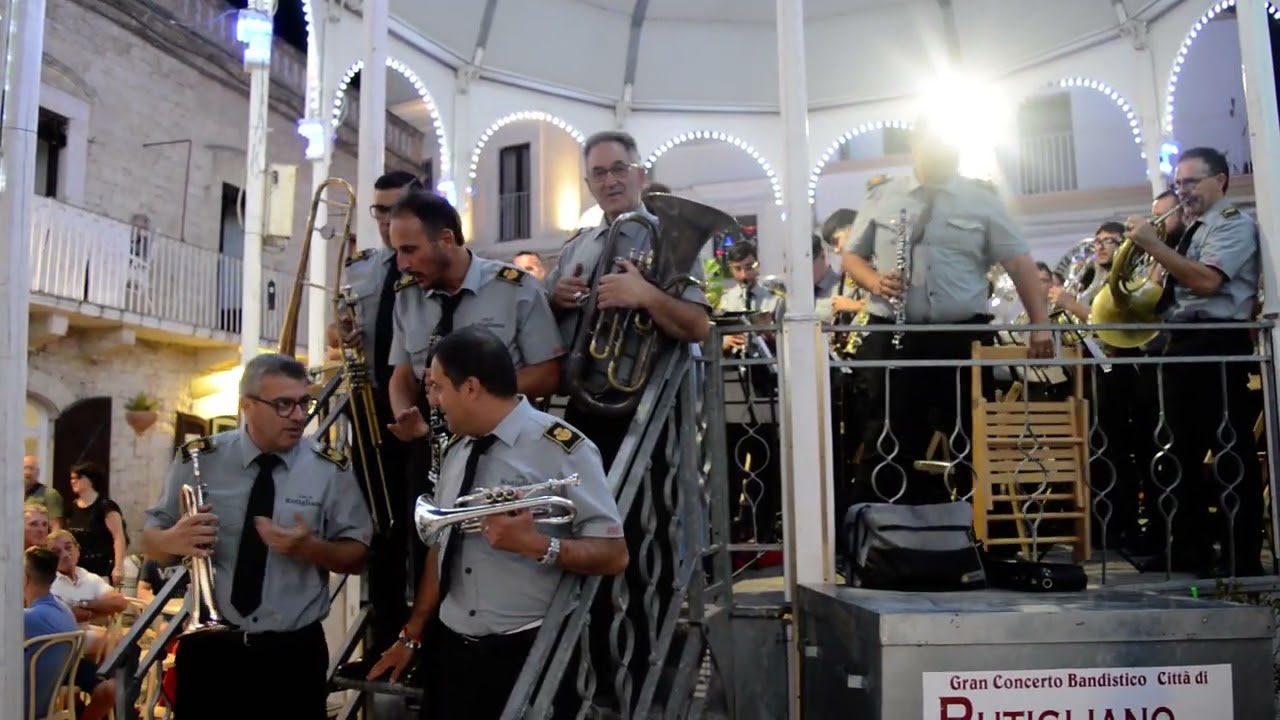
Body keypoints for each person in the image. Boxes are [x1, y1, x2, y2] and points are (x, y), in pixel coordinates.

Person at [366, 326, 628, 720]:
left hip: (529, 651)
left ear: (471, 388)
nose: (432, 400)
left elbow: (614, 555)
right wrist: (412, 634)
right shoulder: (456, 447)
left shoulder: (562, 447)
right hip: (453, 652)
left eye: (437, 387)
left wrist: (536, 545)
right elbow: (443, 546)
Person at [140, 353, 374, 719]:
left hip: (291, 655)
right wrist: (172, 540)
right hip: (210, 653)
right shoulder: (200, 459)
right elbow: (149, 540)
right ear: (246, 405)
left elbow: (358, 556)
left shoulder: (329, 468)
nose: (298, 416)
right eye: (283, 404)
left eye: (304, 403)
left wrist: (311, 548)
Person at [841, 117, 1052, 505]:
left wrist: (1041, 326)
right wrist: (873, 281)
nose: (945, 153)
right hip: (893, 335)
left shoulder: (982, 198)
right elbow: (851, 255)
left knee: (969, 436)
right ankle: (886, 531)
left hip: (961, 336)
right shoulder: (882, 194)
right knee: (886, 437)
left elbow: (1020, 264)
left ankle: (972, 531)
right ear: (915, 145)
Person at [1127, 146, 1264, 577]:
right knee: (1177, 452)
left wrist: (1153, 245)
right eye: (1178, 183)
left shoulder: (1233, 225)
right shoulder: (1189, 229)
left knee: (1228, 450)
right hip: (1182, 342)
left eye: (1191, 182)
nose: (1182, 191)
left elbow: (1206, 282)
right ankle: (1188, 547)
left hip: (1216, 341)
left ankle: (1242, 555)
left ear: (1220, 181)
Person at [328, 169, 422, 659]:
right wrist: (342, 333)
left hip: (422, 407)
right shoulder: (363, 268)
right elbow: (339, 330)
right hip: (370, 407)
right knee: (380, 524)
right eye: (380, 211)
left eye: (395, 209)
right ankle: (384, 634)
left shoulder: (426, 263)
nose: (386, 220)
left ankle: (422, 633)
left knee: (419, 520)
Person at [64, 461, 127, 585]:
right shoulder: (72, 507)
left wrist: (119, 566)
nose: (73, 481)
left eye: (78, 478)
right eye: (72, 478)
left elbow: (119, 537)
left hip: (101, 567)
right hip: (78, 567)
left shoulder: (106, 507)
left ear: (90, 479)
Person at [24, 455, 64, 529]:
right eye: (24, 468)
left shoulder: (50, 494)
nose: (27, 472)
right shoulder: (12, 496)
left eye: (31, 469)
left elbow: (56, 528)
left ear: (38, 472)